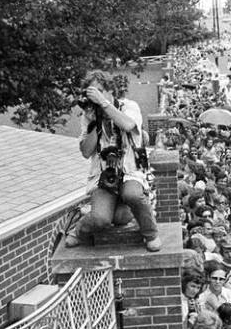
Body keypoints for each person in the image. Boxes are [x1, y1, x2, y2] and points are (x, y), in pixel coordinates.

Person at [65, 69, 161, 252]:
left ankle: (151, 234)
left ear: (110, 90)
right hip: (104, 175)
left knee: (132, 195)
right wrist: (96, 123)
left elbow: (128, 125)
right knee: (102, 219)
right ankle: (79, 231)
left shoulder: (128, 106)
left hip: (129, 170)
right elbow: (86, 151)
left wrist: (104, 104)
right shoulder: (89, 116)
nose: (96, 96)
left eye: (100, 90)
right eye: (92, 92)